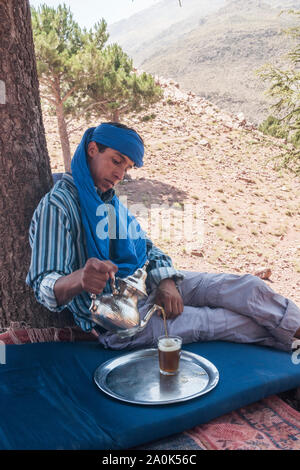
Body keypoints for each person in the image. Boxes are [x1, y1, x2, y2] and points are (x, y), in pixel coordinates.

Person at [26, 122, 300, 352]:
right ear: (92, 149)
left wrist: (167, 281)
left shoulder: (107, 201)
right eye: (116, 161)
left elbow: (145, 247)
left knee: (248, 287)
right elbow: (44, 284)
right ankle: (293, 350)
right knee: (223, 321)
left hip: (147, 283)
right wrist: (80, 279)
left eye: (128, 167)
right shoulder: (58, 206)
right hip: (120, 316)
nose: (121, 174)